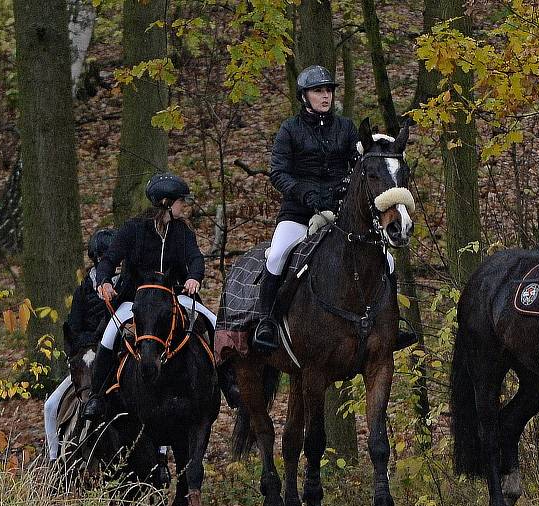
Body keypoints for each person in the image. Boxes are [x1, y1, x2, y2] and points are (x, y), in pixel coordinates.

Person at [253, 64, 417, 353]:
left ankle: (393, 323)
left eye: (328, 90)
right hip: (299, 213)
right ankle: (266, 321)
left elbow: (360, 168)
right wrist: (306, 194)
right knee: (278, 254)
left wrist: (342, 190)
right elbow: (278, 173)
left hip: (339, 213)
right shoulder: (289, 130)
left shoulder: (345, 128)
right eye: (318, 91)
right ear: (304, 96)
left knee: (386, 261)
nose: (325, 96)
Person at [82, 172, 240, 421]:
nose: (183, 205)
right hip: (136, 299)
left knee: (211, 322)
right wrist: (103, 282)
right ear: (167, 202)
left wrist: (194, 278)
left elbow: (195, 258)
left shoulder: (182, 231)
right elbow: (110, 260)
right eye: (180, 201)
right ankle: (97, 396)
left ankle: (228, 382)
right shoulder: (132, 229)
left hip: (174, 296)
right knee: (109, 336)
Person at [44, 228, 116, 461]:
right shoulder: (83, 291)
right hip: (86, 358)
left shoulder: (125, 286)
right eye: (103, 258)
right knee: (50, 406)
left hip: (117, 357)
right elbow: (73, 328)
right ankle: (55, 460)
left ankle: (161, 452)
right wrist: (87, 345)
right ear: (95, 259)